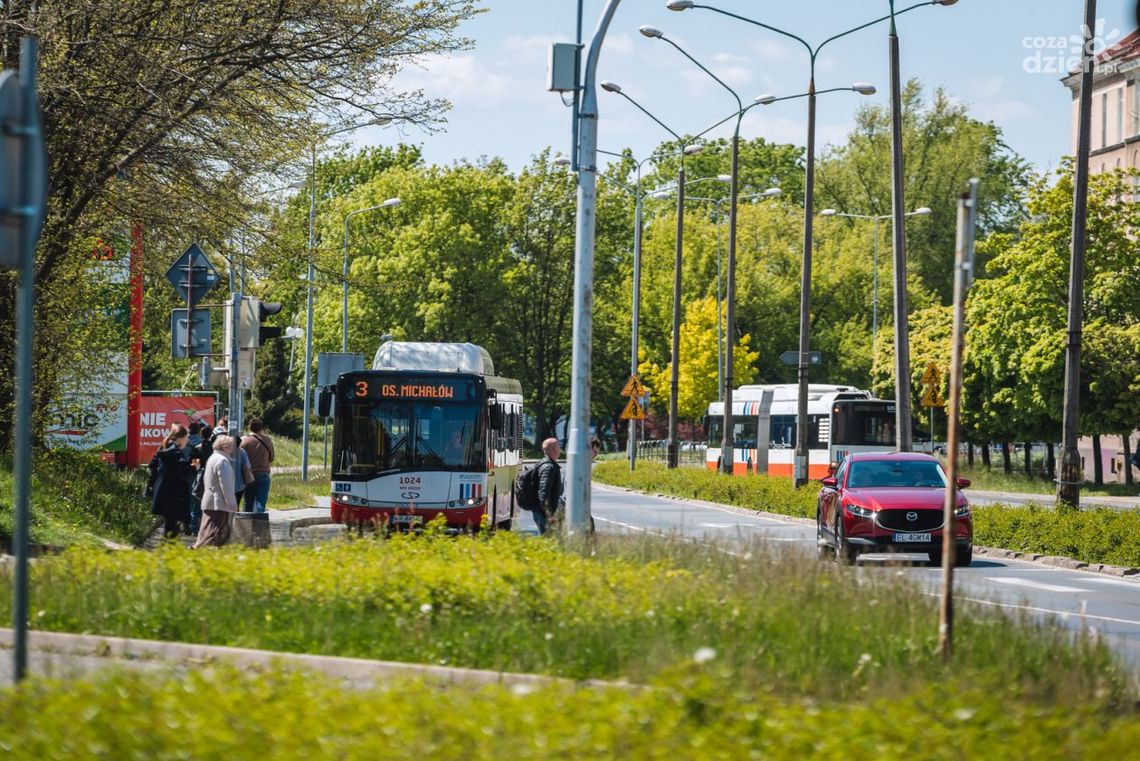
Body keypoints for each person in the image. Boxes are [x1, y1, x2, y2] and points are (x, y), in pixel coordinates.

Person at [146, 424, 194, 538]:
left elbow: (152, 465)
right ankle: (167, 551)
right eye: (186, 438)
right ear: (180, 438)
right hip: (174, 493)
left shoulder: (163, 448)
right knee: (171, 527)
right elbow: (181, 474)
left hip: (163, 490)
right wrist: (193, 468)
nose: (187, 441)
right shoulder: (175, 452)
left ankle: (167, 550)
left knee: (170, 524)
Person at [194, 434, 238, 548]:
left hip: (209, 501)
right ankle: (200, 552)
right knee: (215, 534)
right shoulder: (222, 461)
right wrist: (232, 503)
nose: (232, 448)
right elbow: (226, 485)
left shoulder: (212, 458)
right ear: (225, 447)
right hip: (218, 503)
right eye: (231, 446)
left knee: (205, 531)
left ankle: (196, 550)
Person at [240, 418, 275, 513]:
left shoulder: (244, 441)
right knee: (260, 502)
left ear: (249, 427)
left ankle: (246, 524)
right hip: (263, 474)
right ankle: (259, 524)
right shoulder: (267, 440)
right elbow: (271, 457)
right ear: (261, 428)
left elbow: (240, 459)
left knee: (248, 502)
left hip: (249, 475)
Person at [534, 437, 563, 536]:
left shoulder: (546, 464)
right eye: (559, 446)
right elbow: (544, 493)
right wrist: (549, 514)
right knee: (548, 539)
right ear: (554, 449)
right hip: (543, 514)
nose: (560, 449)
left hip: (541, 512)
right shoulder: (548, 467)